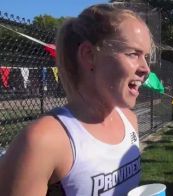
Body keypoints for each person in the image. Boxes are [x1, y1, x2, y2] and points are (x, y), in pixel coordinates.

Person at [0, 3, 152, 195]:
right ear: (89, 55)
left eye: (145, 56)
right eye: (133, 54)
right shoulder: (42, 141)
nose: (146, 69)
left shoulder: (130, 120)